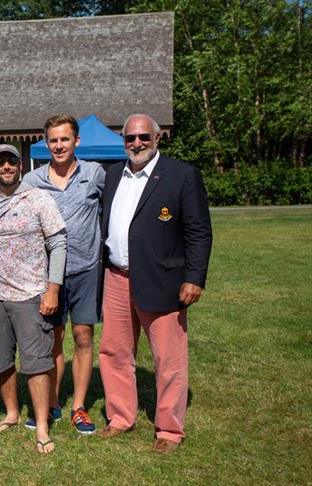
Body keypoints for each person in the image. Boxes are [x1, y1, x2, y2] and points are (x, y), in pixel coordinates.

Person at [98, 114, 212, 454]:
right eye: (130, 138)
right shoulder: (114, 174)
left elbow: (198, 231)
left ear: (158, 138)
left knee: (168, 359)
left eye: (143, 137)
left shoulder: (181, 175)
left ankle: (169, 429)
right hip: (117, 277)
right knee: (115, 352)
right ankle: (120, 417)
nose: (136, 144)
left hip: (164, 280)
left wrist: (194, 277)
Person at [0, 144, 67, 454]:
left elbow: (58, 244)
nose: (6, 167)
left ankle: (41, 426)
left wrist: (52, 289)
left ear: (20, 165)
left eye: (11, 161)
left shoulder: (38, 198)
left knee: (37, 362)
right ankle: (12, 414)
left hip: (31, 293)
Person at [22, 114, 106, 435]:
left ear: (76, 141)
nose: (59, 145)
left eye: (65, 139)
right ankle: (53, 403)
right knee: (53, 338)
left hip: (86, 269)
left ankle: (78, 407)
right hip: (48, 275)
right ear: (47, 143)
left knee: (83, 336)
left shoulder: (95, 174)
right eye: (53, 140)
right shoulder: (33, 181)